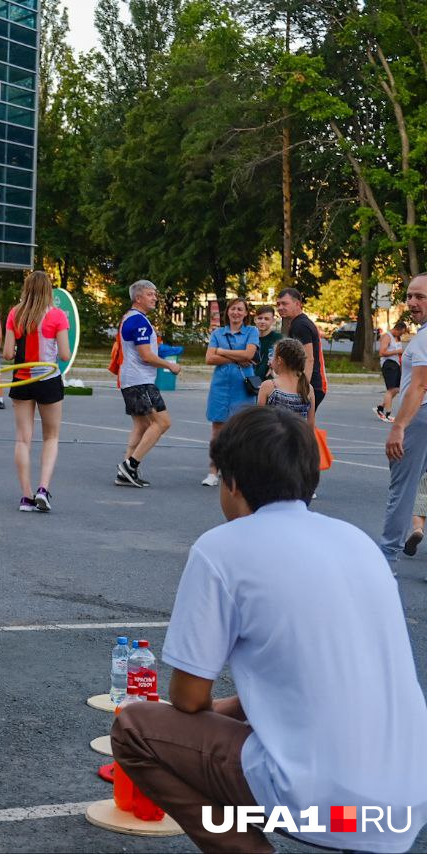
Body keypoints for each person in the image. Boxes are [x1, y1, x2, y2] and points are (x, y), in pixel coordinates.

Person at [114, 406, 427, 854]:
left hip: (324, 807)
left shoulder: (222, 548)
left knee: (136, 729)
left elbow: (187, 699)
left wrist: (213, 713)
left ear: (232, 482)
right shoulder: (357, 542)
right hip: (404, 805)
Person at [4, 270, 70, 512]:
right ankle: (43, 488)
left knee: (23, 438)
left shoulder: (15, 313)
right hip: (48, 379)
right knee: (51, 437)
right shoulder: (57, 315)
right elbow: (64, 355)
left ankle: (26, 496)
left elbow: (8, 354)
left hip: (21, 380)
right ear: (48, 290)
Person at [380, 275, 427, 570]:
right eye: (409, 296)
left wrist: (398, 426)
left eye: (419, 297)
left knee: (402, 490)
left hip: (418, 418)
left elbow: (420, 386)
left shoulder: (423, 340)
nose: (411, 302)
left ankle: (386, 560)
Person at [115, 280, 180, 488]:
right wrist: (170, 365)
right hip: (139, 380)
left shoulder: (131, 318)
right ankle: (131, 464)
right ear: (138, 298)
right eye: (150, 294)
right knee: (162, 422)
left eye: (155, 294)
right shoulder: (139, 321)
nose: (155, 298)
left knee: (141, 425)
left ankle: (124, 472)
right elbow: (145, 356)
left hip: (131, 379)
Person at [201, 298, 259, 487]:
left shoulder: (252, 331)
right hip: (221, 387)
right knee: (217, 430)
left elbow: (249, 355)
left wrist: (221, 351)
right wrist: (235, 356)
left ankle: (238, 471)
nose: (236, 312)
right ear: (228, 312)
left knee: (242, 430)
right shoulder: (218, 332)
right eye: (233, 309)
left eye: (240, 309)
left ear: (245, 313)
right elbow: (209, 359)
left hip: (243, 388)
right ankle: (213, 472)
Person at [275, 288, 326, 410]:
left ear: (297, 304)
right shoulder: (298, 322)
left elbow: (308, 359)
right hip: (311, 385)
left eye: (284, 303)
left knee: (297, 426)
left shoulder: (300, 325)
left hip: (311, 385)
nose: (280, 307)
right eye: (278, 304)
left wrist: (303, 387)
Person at [256, 338, 314, 426]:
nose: (271, 359)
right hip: (299, 438)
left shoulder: (269, 386)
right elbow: (310, 425)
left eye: (272, 355)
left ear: (279, 360)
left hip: (273, 438)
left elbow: (259, 422)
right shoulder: (308, 388)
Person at [377, 321, 408, 422]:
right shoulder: (387, 337)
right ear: (396, 329)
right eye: (401, 333)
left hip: (396, 364)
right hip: (388, 364)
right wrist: (397, 352)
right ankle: (388, 414)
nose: (401, 335)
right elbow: (382, 353)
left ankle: (380, 407)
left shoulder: (397, 337)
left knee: (397, 389)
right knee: (391, 390)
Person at [250, 304, 281, 381]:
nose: (262, 321)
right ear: (255, 320)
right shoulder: (248, 338)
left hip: (269, 383)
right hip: (248, 381)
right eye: (260, 318)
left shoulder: (279, 339)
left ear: (273, 321)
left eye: (266, 319)